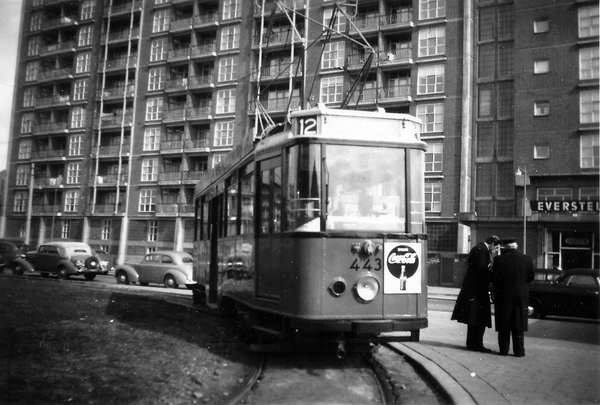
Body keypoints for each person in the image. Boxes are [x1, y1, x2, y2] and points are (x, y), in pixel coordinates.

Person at [451, 235, 500, 353]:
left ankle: (471, 344)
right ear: (492, 244)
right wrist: (492, 277)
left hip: (472, 289)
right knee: (479, 318)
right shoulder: (482, 250)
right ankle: (477, 345)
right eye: (496, 248)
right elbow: (482, 270)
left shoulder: (477, 248)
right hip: (478, 290)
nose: (495, 251)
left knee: (473, 319)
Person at [491, 238, 535, 357]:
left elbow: (494, 278)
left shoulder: (499, 259)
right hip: (521, 294)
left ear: (505, 247)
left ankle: (504, 350)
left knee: (504, 322)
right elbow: (531, 277)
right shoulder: (527, 259)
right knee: (519, 322)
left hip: (504, 295)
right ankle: (519, 351)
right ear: (516, 246)